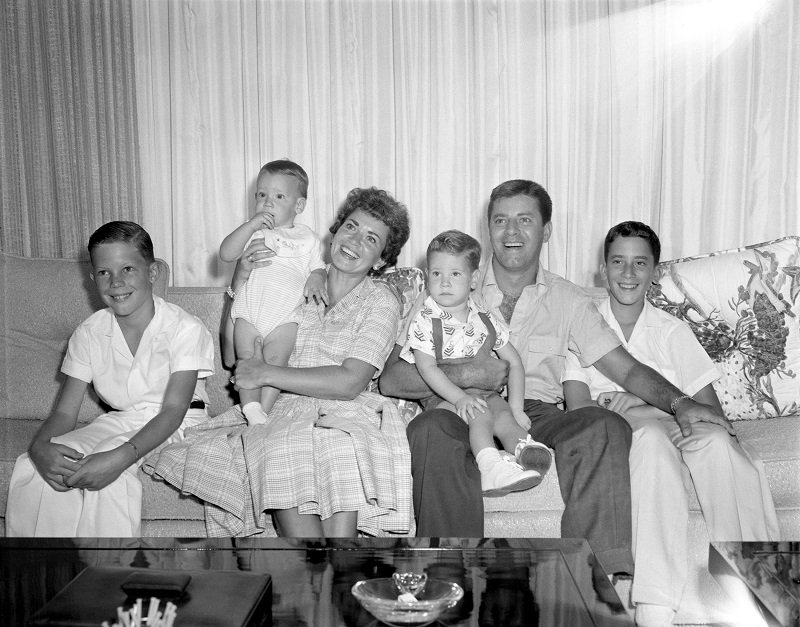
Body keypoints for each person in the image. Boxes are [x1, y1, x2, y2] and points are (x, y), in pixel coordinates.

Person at [379, 179, 734, 579]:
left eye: (524, 220)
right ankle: (447, 580)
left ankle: (595, 579)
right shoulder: (447, 284)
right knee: (430, 429)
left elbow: (627, 368)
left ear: (546, 231)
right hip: (453, 407)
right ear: (488, 228)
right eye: (500, 220)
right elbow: (390, 380)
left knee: (602, 424)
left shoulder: (570, 299)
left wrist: (681, 402)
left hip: (534, 412)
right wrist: (466, 374)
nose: (511, 232)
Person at [146, 187, 412, 538]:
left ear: (380, 259)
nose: (354, 241)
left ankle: (335, 575)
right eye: (351, 227)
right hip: (280, 408)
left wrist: (267, 371)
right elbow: (232, 357)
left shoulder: (380, 301)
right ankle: (311, 576)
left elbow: (349, 383)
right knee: (283, 440)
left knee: (338, 444)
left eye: (371, 238)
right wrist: (237, 283)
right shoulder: (290, 277)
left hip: (346, 412)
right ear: (335, 232)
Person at [562, 221, 779, 627]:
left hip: (675, 426)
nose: (628, 274)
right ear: (602, 271)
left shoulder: (671, 330)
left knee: (717, 444)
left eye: (639, 263)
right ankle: (655, 607)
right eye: (618, 263)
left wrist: (638, 400)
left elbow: (708, 411)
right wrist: (645, 411)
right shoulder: (581, 327)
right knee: (651, 444)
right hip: (635, 437)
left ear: (654, 272)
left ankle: (759, 591)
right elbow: (579, 408)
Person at [6, 221, 214, 536]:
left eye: (128, 269)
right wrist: (40, 447)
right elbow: (65, 412)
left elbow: (174, 410)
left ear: (152, 272)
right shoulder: (89, 332)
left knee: (107, 475)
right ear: (93, 278)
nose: (116, 282)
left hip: (181, 423)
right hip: (121, 419)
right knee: (41, 466)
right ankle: (45, 573)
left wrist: (121, 457)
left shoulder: (185, 328)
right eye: (104, 272)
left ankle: (110, 576)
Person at [399, 230, 552, 496]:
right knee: (479, 412)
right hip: (444, 398)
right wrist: (459, 398)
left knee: (502, 414)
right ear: (427, 275)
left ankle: (523, 449)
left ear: (474, 279)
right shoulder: (425, 319)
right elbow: (426, 368)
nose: (444, 282)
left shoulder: (485, 318)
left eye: (455, 274)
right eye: (436, 274)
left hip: (486, 393)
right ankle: (489, 466)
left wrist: (516, 407)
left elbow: (514, 363)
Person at [219, 159, 327, 425]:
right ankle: (251, 408)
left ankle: (260, 414)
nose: (268, 202)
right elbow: (226, 253)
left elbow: (319, 268)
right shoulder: (255, 232)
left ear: (298, 206)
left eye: (279, 196)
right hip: (250, 310)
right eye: (261, 195)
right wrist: (250, 225)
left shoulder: (309, 238)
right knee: (246, 359)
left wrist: (316, 277)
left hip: (284, 315)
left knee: (275, 363)